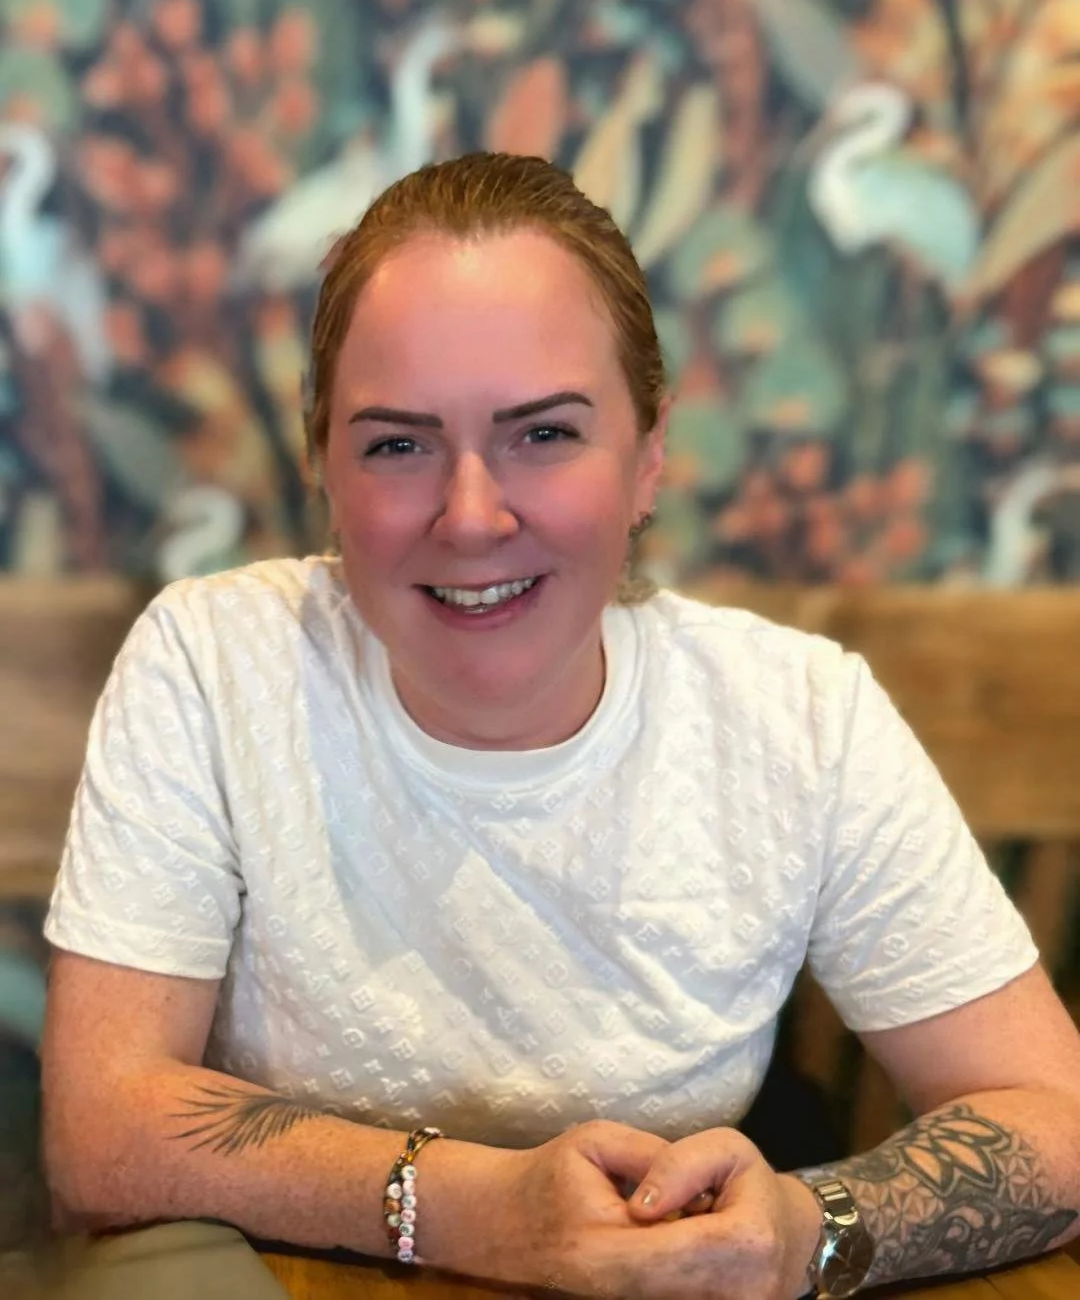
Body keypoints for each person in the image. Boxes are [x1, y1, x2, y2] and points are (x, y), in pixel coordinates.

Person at [41, 152, 1080, 1300]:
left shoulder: (800, 719)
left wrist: (809, 1228)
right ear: (322, 466)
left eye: (544, 435)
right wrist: (481, 1209)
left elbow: (1055, 1120)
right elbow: (100, 1130)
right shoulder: (214, 663)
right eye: (397, 443)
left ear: (648, 457)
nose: (472, 515)